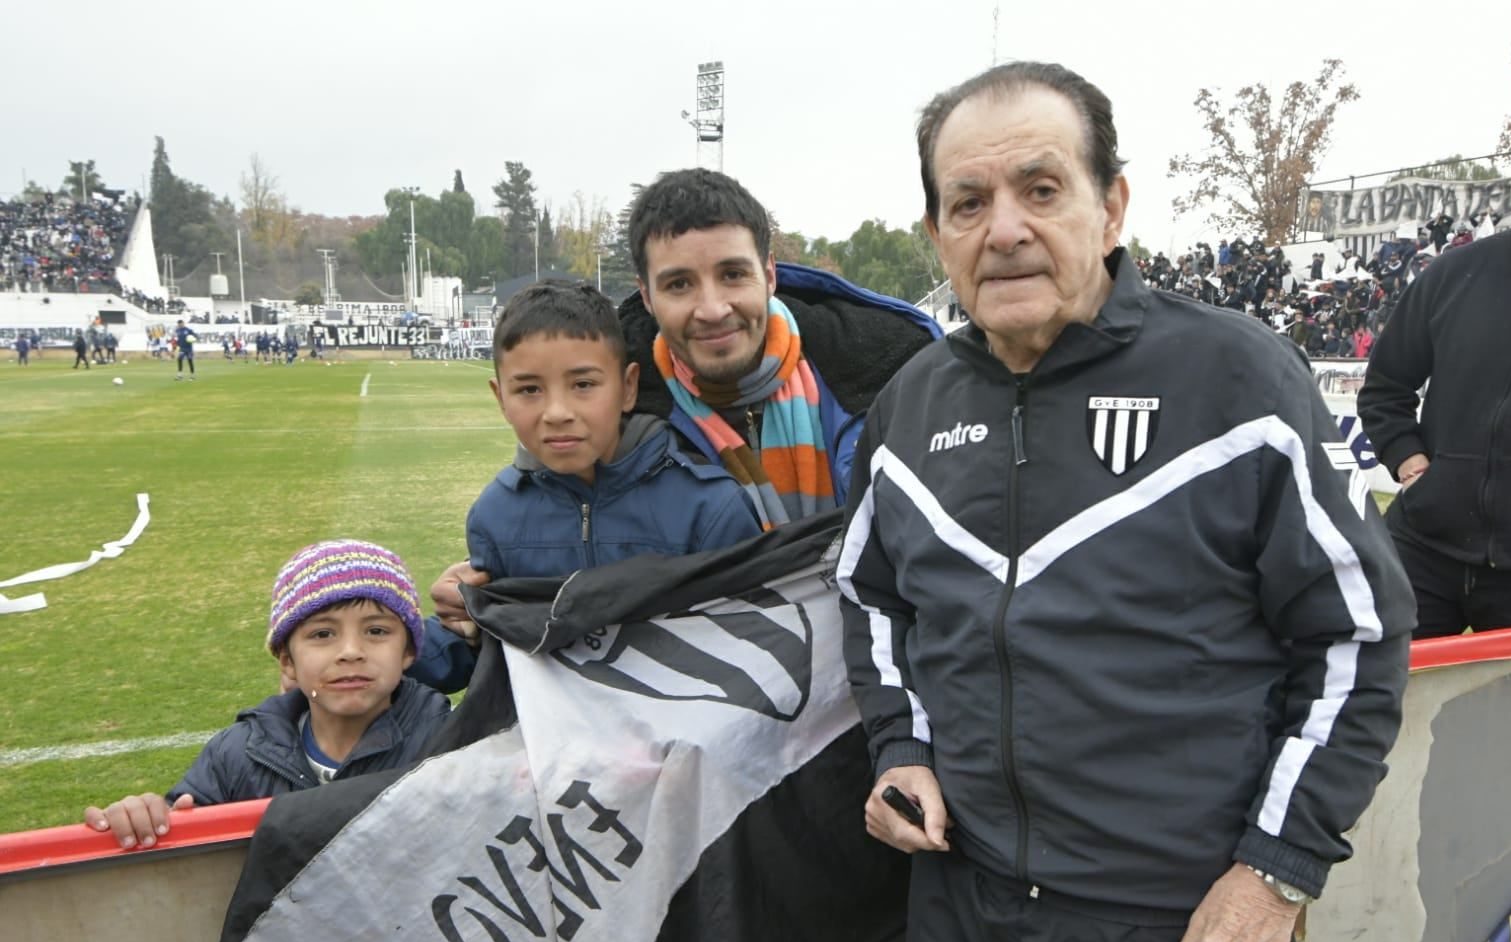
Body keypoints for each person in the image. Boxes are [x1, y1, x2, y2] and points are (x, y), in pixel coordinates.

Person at [837, 61, 1414, 942]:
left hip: (1178, 928)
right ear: (938, 236)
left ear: (1111, 209)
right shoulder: (910, 407)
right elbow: (871, 599)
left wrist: (1275, 871)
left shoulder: (1238, 379)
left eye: (1041, 189)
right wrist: (901, 749)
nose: (1004, 227)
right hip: (968, 923)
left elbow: (1357, 639)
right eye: (967, 202)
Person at [426, 169, 939, 647]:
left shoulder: (891, 372)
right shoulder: (616, 397)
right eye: (679, 284)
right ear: (646, 297)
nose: (712, 308)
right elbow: (570, 515)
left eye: (733, 275)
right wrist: (489, 591)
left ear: (770, 275)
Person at [408, 280, 764, 692]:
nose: (557, 412)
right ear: (500, 398)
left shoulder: (709, 506)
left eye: (583, 385)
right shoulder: (495, 514)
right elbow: (491, 654)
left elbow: (756, 646)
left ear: (627, 387)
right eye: (529, 390)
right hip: (555, 751)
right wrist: (440, 628)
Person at [1358, 92, 1511, 638]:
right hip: (1421, 546)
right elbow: (1386, 387)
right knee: (1377, 709)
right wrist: (1411, 466)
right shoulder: (1456, 272)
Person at [83, 540, 450, 849]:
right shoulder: (236, 755)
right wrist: (143, 815)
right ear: (287, 662)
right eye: (322, 634)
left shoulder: (453, 745)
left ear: (408, 653)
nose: (350, 651)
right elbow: (179, 837)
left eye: (376, 631)